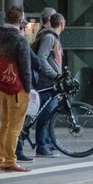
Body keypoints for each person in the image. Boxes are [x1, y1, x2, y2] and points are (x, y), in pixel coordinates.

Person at [0, 6, 33, 172]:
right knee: (15, 127)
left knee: (4, 124)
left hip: (1, 84)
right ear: (20, 21)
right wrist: (28, 88)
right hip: (17, 87)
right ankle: (10, 160)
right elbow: (25, 66)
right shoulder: (20, 40)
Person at [31, 12, 65, 158]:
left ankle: (46, 143)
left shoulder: (53, 38)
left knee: (49, 113)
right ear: (62, 24)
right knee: (46, 114)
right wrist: (54, 74)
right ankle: (42, 146)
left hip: (52, 81)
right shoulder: (49, 37)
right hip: (46, 82)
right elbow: (41, 58)